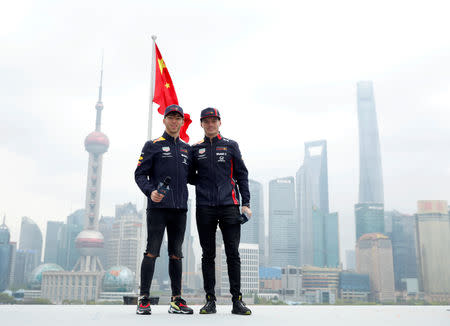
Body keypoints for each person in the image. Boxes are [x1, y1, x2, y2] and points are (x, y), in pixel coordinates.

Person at [191, 107, 252, 315]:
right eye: (206, 121)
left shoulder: (231, 146)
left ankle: (237, 301)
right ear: (201, 124)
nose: (210, 124)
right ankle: (210, 301)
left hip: (230, 205)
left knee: (232, 254)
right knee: (208, 255)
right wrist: (204, 184)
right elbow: (190, 175)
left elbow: (242, 174)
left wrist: (246, 203)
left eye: (213, 121)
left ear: (219, 123)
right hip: (205, 207)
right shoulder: (195, 149)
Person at [135, 104, 193, 315]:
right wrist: (151, 192)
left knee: (176, 254)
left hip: (180, 209)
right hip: (158, 208)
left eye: (178, 118)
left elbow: (195, 176)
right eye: (171, 117)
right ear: (164, 120)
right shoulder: (152, 145)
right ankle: (143, 299)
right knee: (152, 251)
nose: (174, 121)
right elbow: (139, 174)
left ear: (182, 121)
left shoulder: (188, 149)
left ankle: (176, 301)